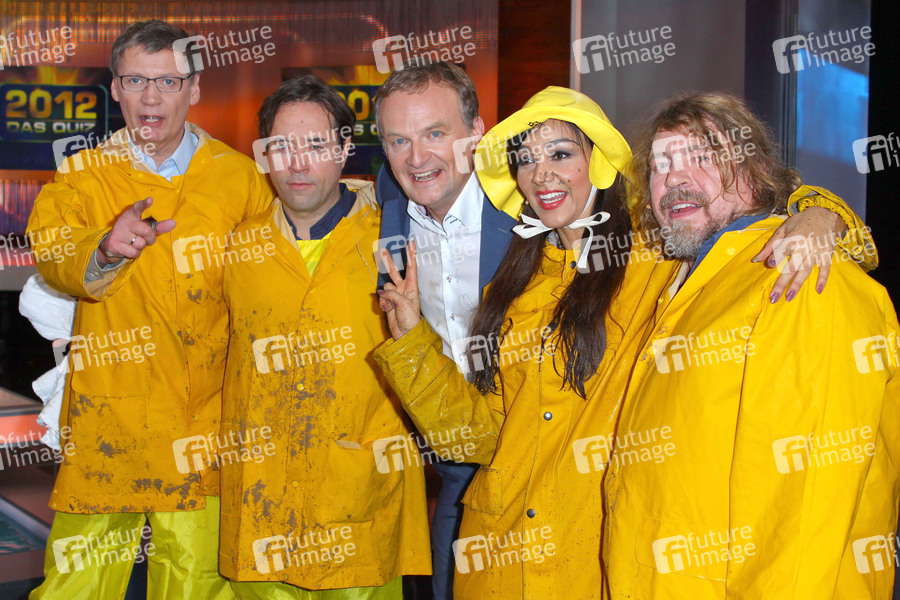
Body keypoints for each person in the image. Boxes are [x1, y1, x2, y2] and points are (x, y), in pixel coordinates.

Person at [371, 86, 875, 600]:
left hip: (593, 562)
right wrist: (412, 341)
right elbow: (479, 440)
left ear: (599, 163)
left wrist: (820, 213)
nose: (541, 174)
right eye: (525, 161)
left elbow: (744, 211)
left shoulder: (656, 263)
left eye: (560, 154)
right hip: (500, 563)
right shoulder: (514, 284)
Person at [603, 92, 899, 599]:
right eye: (659, 166)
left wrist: (819, 212)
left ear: (757, 171)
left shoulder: (800, 275)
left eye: (702, 156)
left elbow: (804, 513)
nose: (674, 179)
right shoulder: (689, 282)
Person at [26, 20, 272, 600]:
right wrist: (104, 249)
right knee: (75, 588)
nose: (152, 97)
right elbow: (54, 250)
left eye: (169, 81)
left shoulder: (239, 178)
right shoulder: (82, 175)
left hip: (202, 424)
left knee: (194, 586)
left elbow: (268, 283)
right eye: (136, 80)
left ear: (195, 89)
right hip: (108, 423)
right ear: (115, 88)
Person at [218, 75, 430, 600]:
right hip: (262, 503)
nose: (296, 164)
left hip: (362, 501)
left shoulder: (395, 240)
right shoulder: (237, 248)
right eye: (280, 146)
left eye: (315, 145)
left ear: (343, 149)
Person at [373, 61, 516, 600]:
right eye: (399, 141)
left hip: (536, 449)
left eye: (435, 133)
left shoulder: (527, 201)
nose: (417, 158)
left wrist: (779, 218)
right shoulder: (388, 203)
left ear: (476, 131)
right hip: (457, 460)